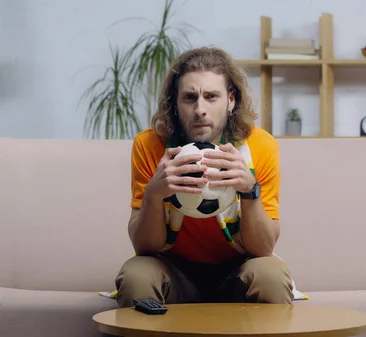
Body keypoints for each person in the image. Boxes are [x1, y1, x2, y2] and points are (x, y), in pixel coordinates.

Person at [114, 46, 294, 307]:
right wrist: (154, 193)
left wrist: (249, 189)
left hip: (237, 271)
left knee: (271, 275)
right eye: (189, 97)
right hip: (174, 270)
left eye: (211, 96)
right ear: (175, 103)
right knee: (136, 275)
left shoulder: (261, 147)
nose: (200, 109)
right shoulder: (150, 146)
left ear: (231, 100)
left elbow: (264, 250)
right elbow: (144, 248)